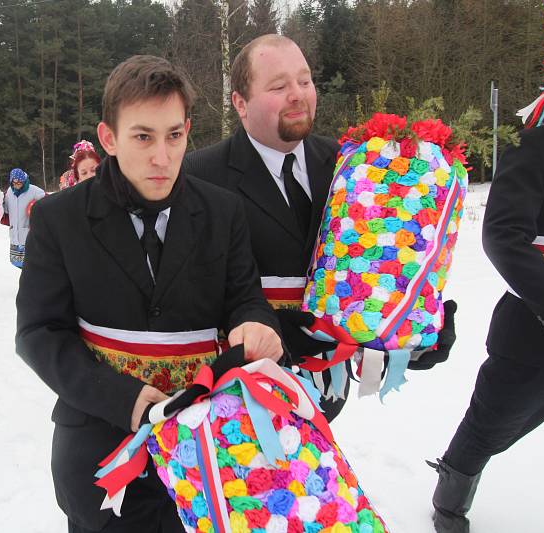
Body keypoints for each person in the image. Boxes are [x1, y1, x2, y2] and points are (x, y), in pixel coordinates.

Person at [15, 55, 283, 533]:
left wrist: (256, 321)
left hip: (209, 451)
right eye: (143, 136)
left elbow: (245, 296)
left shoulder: (223, 212)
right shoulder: (59, 219)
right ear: (108, 137)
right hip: (100, 452)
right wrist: (124, 399)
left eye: (174, 135)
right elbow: (38, 332)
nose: (162, 156)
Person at [184, 34, 457, 420]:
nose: (297, 94)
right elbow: (187, 295)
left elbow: (381, 263)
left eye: (305, 80)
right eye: (279, 86)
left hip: (327, 390)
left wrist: (411, 332)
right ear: (240, 103)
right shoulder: (199, 177)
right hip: (234, 398)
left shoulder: (355, 165)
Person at [428, 97, 544, 533]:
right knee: (490, 429)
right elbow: (503, 236)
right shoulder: (537, 149)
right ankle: (449, 505)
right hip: (536, 332)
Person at [2, 167, 45, 268]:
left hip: (30, 235)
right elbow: (6, 209)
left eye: (19, 182)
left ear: (24, 180)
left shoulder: (34, 190)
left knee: (33, 265)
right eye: (14, 182)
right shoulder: (9, 192)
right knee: (18, 264)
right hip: (15, 236)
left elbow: (46, 203)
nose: (17, 185)